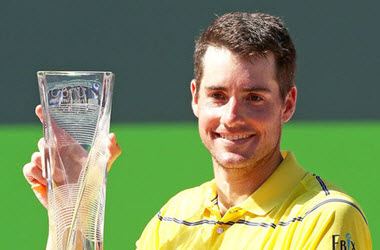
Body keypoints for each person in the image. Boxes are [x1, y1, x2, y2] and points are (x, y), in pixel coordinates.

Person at [24, 12, 372, 249]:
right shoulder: (173, 216)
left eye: (254, 97)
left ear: (288, 104)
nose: (232, 116)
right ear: (195, 98)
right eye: (218, 96)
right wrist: (71, 210)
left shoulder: (326, 217)